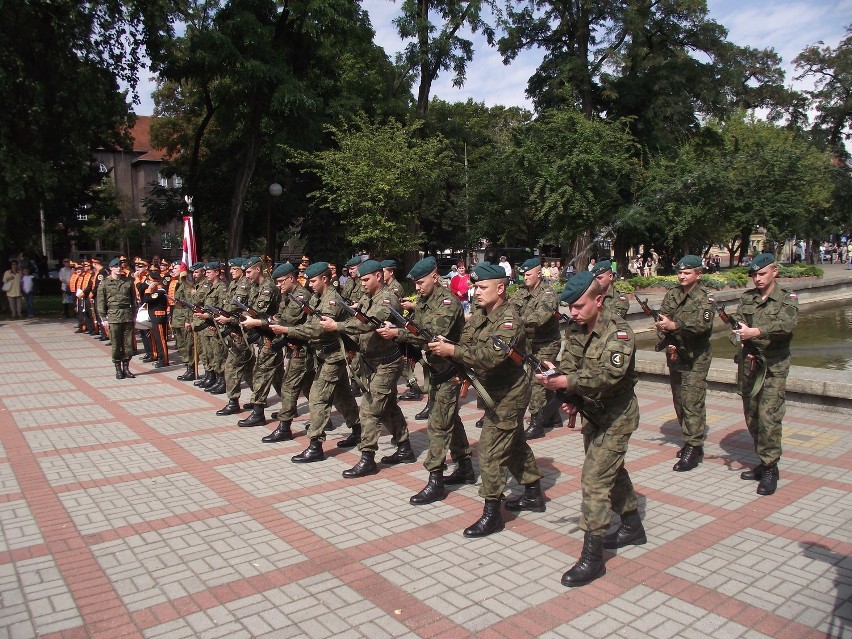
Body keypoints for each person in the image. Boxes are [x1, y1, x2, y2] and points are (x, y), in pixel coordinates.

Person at [536, 271, 644, 587]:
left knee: (595, 479)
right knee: (612, 471)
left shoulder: (620, 333)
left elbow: (608, 375)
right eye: (570, 307)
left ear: (598, 300)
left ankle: (592, 558)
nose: (574, 313)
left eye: (580, 306)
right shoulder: (577, 329)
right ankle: (632, 524)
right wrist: (563, 387)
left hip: (617, 417)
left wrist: (569, 382)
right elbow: (570, 366)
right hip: (592, 414)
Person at [429, 262, 544, 538]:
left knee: (490, 452)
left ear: (501, 288)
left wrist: (453, 351)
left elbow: (491, 356)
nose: (476, 292)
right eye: (475, 287)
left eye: (482, 287)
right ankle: (533, 492)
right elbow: (469, 345)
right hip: (492, 389)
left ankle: (492, 513)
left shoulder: (509, 320)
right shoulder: (480, 314)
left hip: (511, 393)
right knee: (513, 443)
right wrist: (457, 356)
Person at [378, 256, 475, 503]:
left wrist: (398, 333)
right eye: (416, 285)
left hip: (450, 372)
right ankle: (465, 467)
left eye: (421, 283)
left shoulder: (447, 302)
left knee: (437, 425)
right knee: (449, 418)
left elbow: (431, 336)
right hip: (436, 372)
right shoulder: (424, 300)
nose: (417, 288)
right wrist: (400, 327)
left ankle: (436, 481)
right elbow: (416, 327)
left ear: (434, 276)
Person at [321, 259, 414, 478]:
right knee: (389, 406)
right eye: (360, 280)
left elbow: (368, 323)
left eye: (366, 279)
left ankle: (367, 458)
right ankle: (404, 447)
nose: (362, 283)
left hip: (387, 362)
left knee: (370, 410)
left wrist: (337, 325)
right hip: (370, 361)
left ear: (379, 276)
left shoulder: (388, 298)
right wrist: (351, 309)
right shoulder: (369, 296)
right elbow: (360, 311)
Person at [730, 253, 798, 496]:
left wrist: (756, 331)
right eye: (754, 275)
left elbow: (786, 325)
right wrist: (739, 338)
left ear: (775, 272)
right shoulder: (747, 298)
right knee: (752, 416)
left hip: (774, 367)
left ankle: (770, 468)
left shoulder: (786, 298)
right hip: (751, 366)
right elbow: (735, 327)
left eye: (762, 274)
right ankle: (762, 459)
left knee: (769, 417)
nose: (757, 279)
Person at [284, 262, 362, 464]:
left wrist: (287, 331)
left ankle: (315, 446)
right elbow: (310, 324)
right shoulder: (318, 298)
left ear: (325, 279)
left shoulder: (332, 300)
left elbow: (318, 330)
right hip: (324, 355)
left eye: (313, 280)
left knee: (317, 398)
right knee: (342, 395)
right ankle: (358, 429)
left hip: (334, 356)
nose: (309, 285)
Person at [655, 255, 713, 471]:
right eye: (679, 272)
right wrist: (664, 332)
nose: (681, 276)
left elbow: (701, 326)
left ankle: (693, 445)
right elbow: (663, 319)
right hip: (675, 354)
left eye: (686, 273)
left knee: (692, 400)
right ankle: (691, 441)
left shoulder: (705, 298)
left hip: (695, 356)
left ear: (698, 274)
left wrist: (674, 326)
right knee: (679, 399)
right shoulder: (672, 294)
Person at [510, 258, 562, 440]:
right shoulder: (521, 293)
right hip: (529, 343)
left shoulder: (548, 294)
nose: (525, 278)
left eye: (528, 274)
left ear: (539, 274)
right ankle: (553, 416)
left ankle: (536, 423)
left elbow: (540, 318)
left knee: (537, 380)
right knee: (542, 379)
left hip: (547, 343)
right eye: (523, 274)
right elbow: (510, 310)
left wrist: (516, 322)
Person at [237, 256, 282, 427]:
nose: (246, 275)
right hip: (265, 335)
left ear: (257, 269)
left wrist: (246, 318)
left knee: (261, 373)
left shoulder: (267, 286)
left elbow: (259, 310)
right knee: (278, 376)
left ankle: (258, 413)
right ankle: (288, 406)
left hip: (271, 336)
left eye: (248, 272)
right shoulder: (256, 286)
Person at [214, 258, 255, 416]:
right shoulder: (233, 284)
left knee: (231, 368)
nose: (231, 271)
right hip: (233, 330)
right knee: (249, 370)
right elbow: (227, 306)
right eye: (230, 269)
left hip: (241, 332)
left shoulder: (245, 285)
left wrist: (229, 319)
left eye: (234, 269)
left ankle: (233, 402)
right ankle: (258, 398)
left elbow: (241, 310)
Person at [96, 258, 137, 380]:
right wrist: (103, 318)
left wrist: (134, 315)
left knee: (128, 343)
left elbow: (133, 300)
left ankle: (126, 368)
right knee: (116, 343)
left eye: (120, 266)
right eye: (116, 266)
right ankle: (118, 369)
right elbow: (101, 301)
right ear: (111, 268)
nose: (119, 268)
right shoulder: (104, 283)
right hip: (113, 316)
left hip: (127, 315)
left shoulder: (128, 282)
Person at [142, 269, 170, 367]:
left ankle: (164, 360)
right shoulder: (156, 291)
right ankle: (159, 357)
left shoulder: (160, 291)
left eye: (150, 281)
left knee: (161, 340)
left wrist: (149, 289)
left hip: (159, 317)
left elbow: (147, 299)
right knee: (157, 339)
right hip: (154, 317)